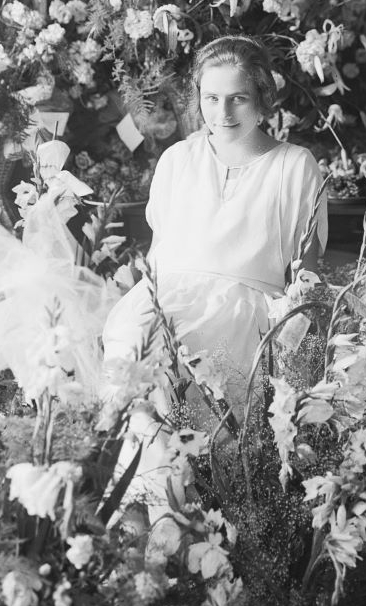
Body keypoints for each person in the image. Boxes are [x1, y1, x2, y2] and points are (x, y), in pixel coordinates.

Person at [101, 36, 329, 418]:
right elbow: (161, 252)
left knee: (209, 360)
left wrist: (296, 339)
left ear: (261, 97)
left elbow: (306, 271)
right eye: (211, 98)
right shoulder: (177, 159)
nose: (222, 112)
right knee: (140, 351)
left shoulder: (294, 165)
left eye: (237, 98)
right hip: (171, 298)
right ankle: (152, 471)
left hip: (250, 308)